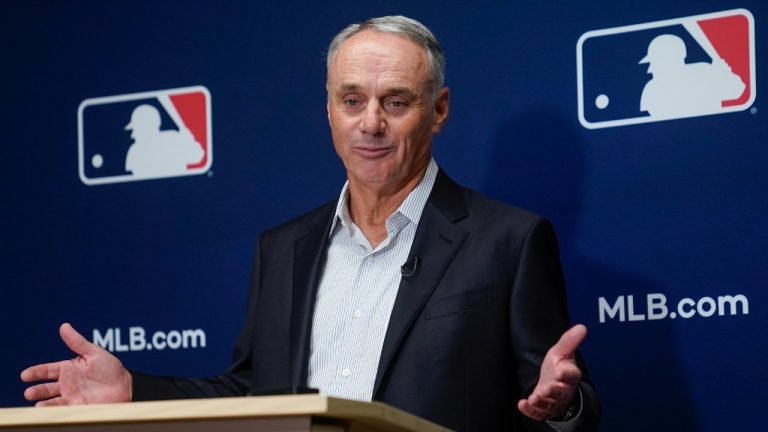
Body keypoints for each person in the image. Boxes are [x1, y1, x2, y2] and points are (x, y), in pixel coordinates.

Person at [21, 16, 600, 431]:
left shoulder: (509, 239)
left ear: (439, 109)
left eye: (395, 102)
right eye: (352, 100)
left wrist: (564, 408)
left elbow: (559, 397)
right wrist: (132, 391)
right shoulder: (283, 248)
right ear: (328, 108)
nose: (370, 123)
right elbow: (253, 392)